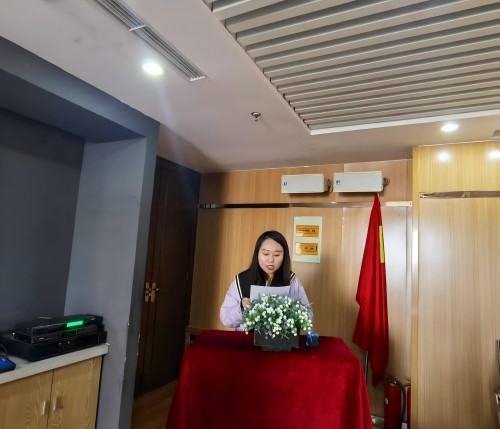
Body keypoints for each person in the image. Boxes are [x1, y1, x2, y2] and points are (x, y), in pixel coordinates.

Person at [220, 230, 311, 331]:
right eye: (266, 254)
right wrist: (241, 308)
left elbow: (309, 315)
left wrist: (292, 313)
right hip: (246, 339)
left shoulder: (291, 280)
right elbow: (225, 319)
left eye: (277, 255)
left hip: (280, 340)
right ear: (257, 253)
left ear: (284, 256)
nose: (271, 260)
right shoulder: (241, 280)